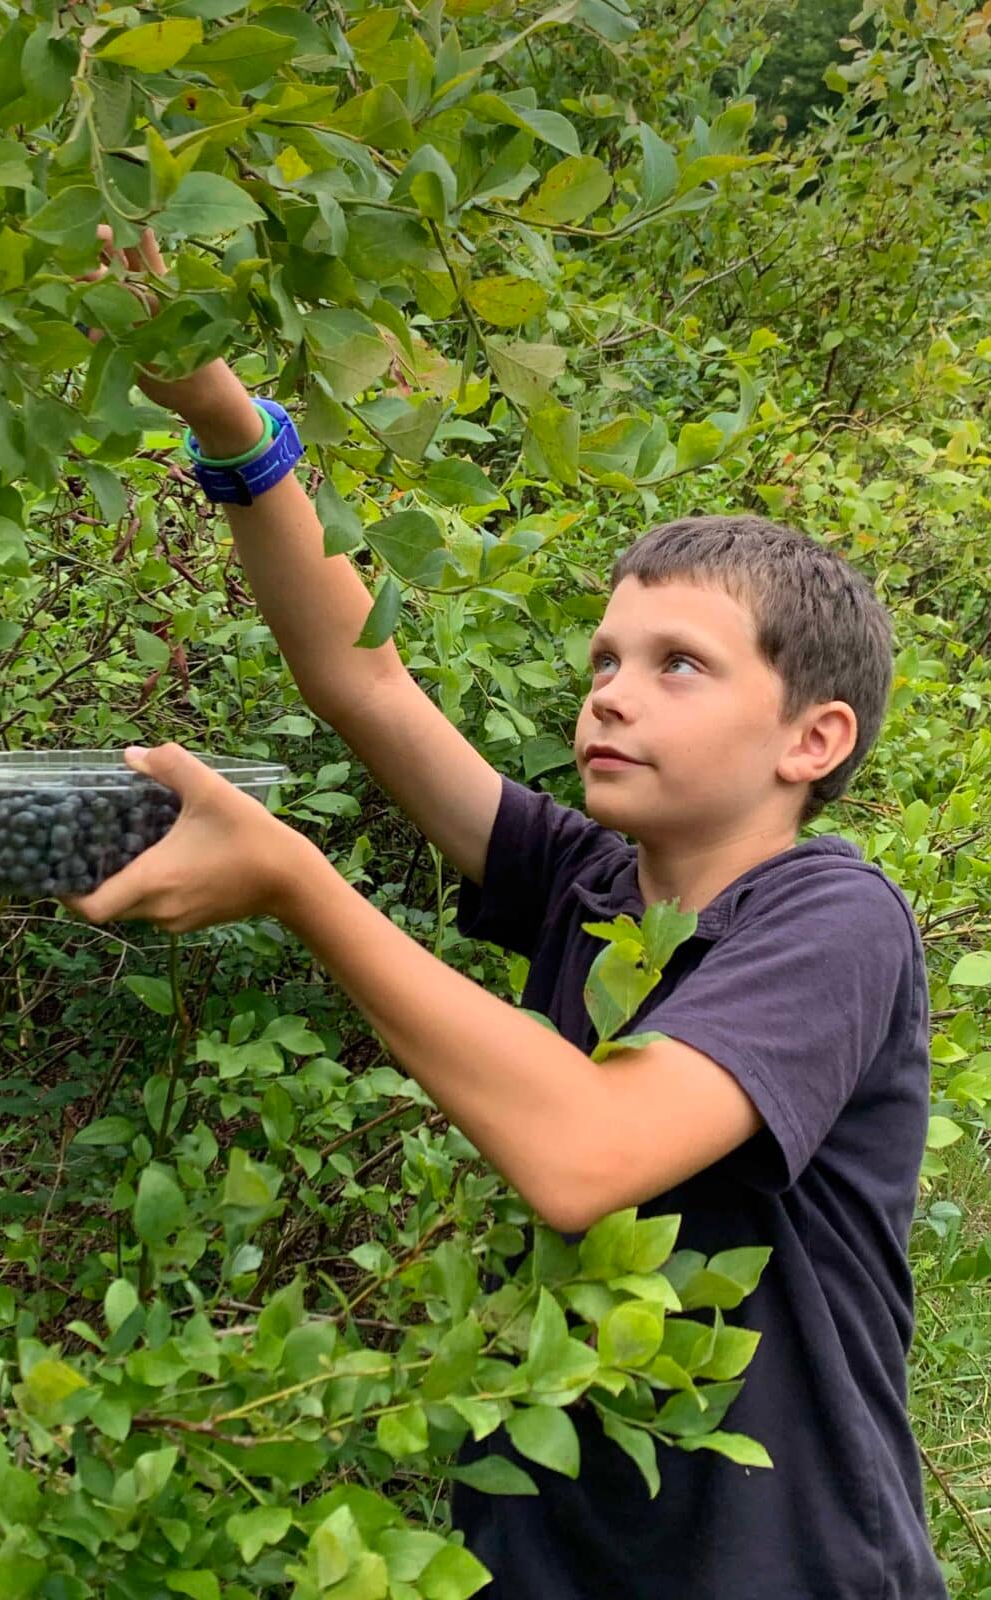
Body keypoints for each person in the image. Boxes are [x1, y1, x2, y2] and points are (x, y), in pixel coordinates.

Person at [65, 228, 948, 1599]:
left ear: (812, 738)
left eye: (678, 665)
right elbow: (364, 684)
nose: (612, 693)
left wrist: (298, 882)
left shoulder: (834, 919)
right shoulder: (592, 885)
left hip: (784, 1567)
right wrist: (228, 421)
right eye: (605, 660)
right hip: (543, 1557)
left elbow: (589, 1153)